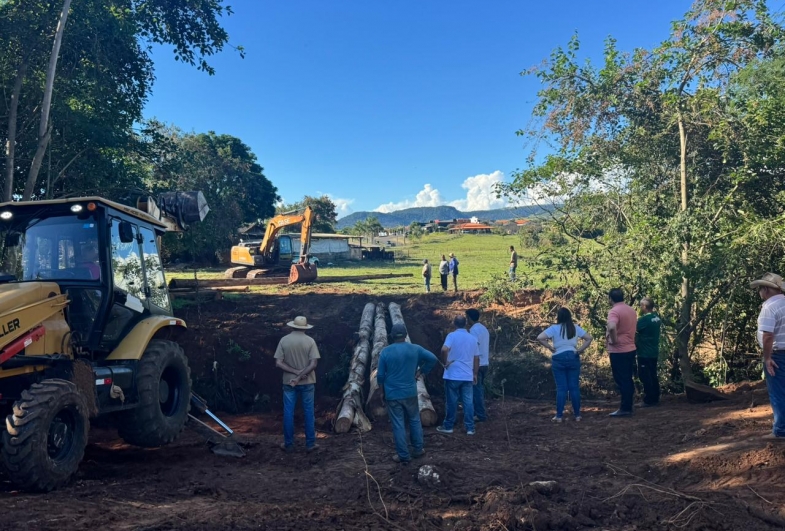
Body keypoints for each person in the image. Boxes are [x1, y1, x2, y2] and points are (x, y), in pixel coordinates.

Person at [377, 323, 439, 462]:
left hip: (392, 394)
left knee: (398, 423)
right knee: (414, 419)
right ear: (405, 335)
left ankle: (403, 456)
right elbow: (433, 359)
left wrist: (382, 391)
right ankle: (418, 449)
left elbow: (380, 375)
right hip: (410, 392)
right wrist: (421, 372)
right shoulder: (415, 349)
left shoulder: (385, 352)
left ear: (392, 336)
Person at [274, 316, 321, 452]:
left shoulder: (284, 340)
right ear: (305, 327)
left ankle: (289, 444)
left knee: (288, 412)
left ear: (292, 326)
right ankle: (310, 444)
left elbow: (278, 362)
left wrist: (295, 373)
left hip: (289, 382)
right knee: (308, 412)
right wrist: (301, 375)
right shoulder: (310, 341)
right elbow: (314, 363)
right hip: (308, 381)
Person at [537, 308, 593, 422]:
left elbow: (540, 337)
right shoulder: (575, 327)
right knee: (574, 387)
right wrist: (579, 350)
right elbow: (589, 338)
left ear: (558, 317)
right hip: (573, 356)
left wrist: (550, 347)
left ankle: (559, 416)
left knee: (561, 388)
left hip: (558, 358)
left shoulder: (554, 328)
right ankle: (577, 415)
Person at [751, 273, 785, 440]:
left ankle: (780, 430)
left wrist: (767, 357)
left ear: (766, 289)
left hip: (778, 354)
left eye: (760, 289)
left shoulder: (769, 307)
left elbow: (768, 335)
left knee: (778, 392)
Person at [437, 315, 479, 435]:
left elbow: (444, 349)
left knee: (451, 401)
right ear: (466, 323)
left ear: (454, 324)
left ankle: (448, 426)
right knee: (468, 402)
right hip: (467, 375)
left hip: (453, 374)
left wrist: (445, 363)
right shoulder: (472, 338)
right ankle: (470, 428)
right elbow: (476, 358)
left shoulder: (451, 336)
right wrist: (475, 373)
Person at [606, 288, 638, 417]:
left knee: (621, 379)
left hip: (619, 350)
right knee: (628, 378)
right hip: (630, 348)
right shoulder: (631, 310)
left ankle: (625, 408)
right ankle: (628, 405)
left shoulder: (614, 311)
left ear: (610, 298)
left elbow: (612, 326)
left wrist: (613, 340)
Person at [636, 297, 661, 407]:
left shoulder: (643, 320)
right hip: (653, 351)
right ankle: (656, 396)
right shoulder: (657, 318)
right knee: (653, 374)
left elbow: (634, 330)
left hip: (644, 352)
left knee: (645, 376)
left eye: (641, 306)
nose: (640, 308)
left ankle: (648, 399)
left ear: (645, 307)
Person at [466, 308, 490, 422]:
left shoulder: (473, 331)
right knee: (479, 389)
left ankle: (480, 414)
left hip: (477, 364)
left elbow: (473, 346)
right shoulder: (484, 329)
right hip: (485, 363)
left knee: (476, 390)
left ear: (469, 318)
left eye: (467, 318)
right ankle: (479, 412)